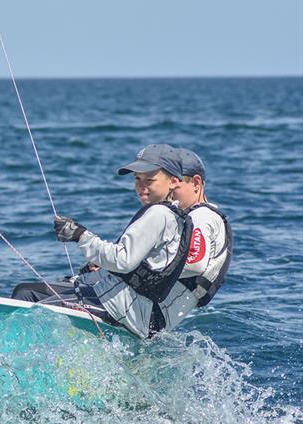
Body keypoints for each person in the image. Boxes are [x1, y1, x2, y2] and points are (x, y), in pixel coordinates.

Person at [12, 143, 192, 339]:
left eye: (150, 180)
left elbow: (123, 261)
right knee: (26, 291)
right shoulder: (173, 215)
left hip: (118, 307)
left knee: (31, 308)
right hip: (121, 301)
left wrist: (80, 235)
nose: (141, 186)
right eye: (137, 179)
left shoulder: (159, 214)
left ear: (173, 182)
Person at [160, 148, 232, 314]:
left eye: (174, 187)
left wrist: (135, 266)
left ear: (196, 183)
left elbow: (194, 264)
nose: (167, 193)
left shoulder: (201, 216)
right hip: (165, 306)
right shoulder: (188, 217)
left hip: (161, 308)